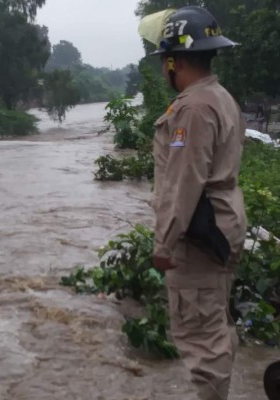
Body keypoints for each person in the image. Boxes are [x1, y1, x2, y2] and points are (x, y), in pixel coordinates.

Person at [140, 6, 248, 400]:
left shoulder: (193, 108)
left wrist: (164, 243)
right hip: (221, 225)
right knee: (214, 322)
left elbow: (185, 181)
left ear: (175, 60)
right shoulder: (220, 98)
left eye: (164, 62)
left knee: (200, 335)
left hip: (199, 235)